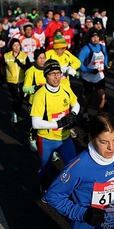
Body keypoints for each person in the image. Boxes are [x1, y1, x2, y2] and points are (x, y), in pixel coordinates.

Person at [46, 112, 114, 229]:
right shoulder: (79, 166)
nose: (111, 147)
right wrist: (83, 214)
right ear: (91, 138)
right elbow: (53, 196)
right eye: (104, 142)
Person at [30, 59, 80, 202]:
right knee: (45, 169)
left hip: (64, 138)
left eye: (58, 73)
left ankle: (71, 191)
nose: (56, 77)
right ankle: (44, 186)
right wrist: (59, 122)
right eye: (52, 74)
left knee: (72, 166)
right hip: (46, 139)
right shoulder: (40, 95)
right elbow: (35, 123)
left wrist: (73, 115)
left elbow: (76, 104)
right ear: (46, 75)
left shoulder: (65, 87)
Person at [78, 29, 108, 121]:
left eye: (97, 37)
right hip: (88, 77)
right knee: (88, 96)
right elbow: (79, 63)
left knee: (102, 96)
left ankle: (99, 113)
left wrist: (105, 65)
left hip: (99, 76)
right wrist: (89, 70)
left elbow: (105, 55)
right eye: (93, 37)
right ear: (90, 38)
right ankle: (85, 111)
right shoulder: (86, 49)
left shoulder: (102, 47)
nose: (95, 39)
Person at [23, 48, 47, 152]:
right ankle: (32, 139)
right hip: (34, 103)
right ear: (35, 59)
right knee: (36, 125)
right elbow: (25, 88)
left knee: (47, 124)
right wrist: (35, 88)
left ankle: (49, 147)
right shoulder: (30, 71)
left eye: (43, 57)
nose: (42, 60)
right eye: (40, 58)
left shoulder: (48, 69)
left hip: (47, 102)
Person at [4, 38, 31, 123]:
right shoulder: (6, 56)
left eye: (18, 45)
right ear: (11, 46)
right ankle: (14, 114)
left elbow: (29, 67)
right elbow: (2, 66)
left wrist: (20, 64)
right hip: (11, 81)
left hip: (22, 80)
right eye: (14, 45)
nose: (16, 47)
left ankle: (17, 114)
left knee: (21, 99)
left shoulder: (24, 56)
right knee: (16, 98)